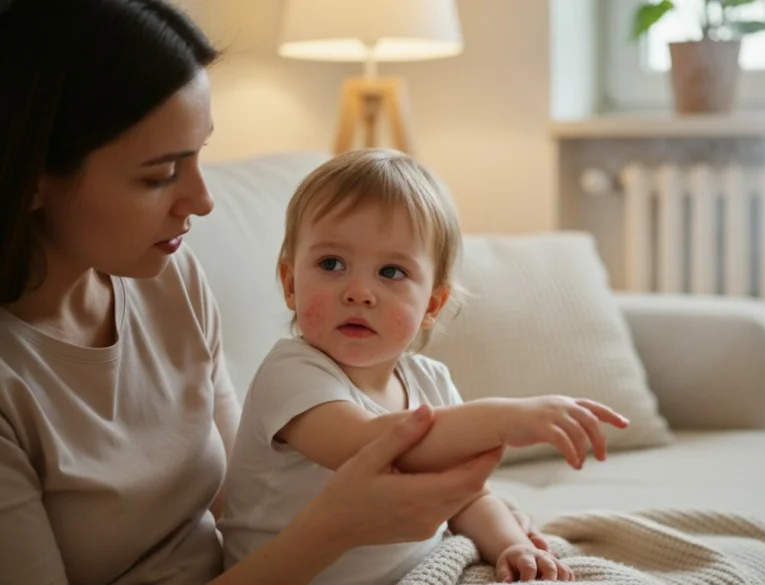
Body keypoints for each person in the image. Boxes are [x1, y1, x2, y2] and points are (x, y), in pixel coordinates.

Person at [0, 1, 549, 584]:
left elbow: (243, 495)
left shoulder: (169, 280)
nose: (203, 201)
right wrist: (337, 527)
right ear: (33, 176)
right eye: (159, 174)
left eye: (199, 156)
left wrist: (486, 523)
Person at [218, 149, 631, 584]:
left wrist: (512, 545)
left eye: (392, 272)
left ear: (432, 304)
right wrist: (506, 417)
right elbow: (371, 445)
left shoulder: (430, 380)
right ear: (289, 284)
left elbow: (467, 497)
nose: (359, 292)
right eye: (331, 264)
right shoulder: (291, 373)